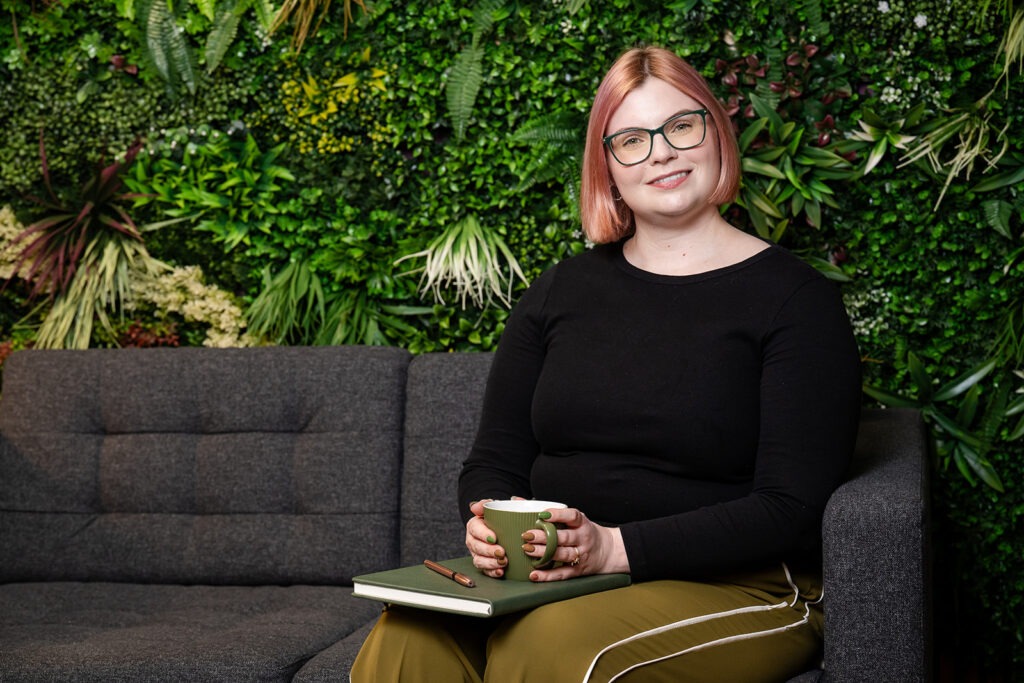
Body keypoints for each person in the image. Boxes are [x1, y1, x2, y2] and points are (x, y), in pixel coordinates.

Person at [351, 45, 861, 683]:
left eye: (681, 126)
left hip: (741, 583)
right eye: (632, 140)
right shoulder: (559, 292)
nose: (661, 153)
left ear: (716, 134)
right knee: (410, 635)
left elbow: (790, 506)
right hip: (560, 575)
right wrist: (488, 524)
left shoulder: (796, 301)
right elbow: (495, 458)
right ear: (608, 168)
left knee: (550, 648)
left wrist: (615, 548)